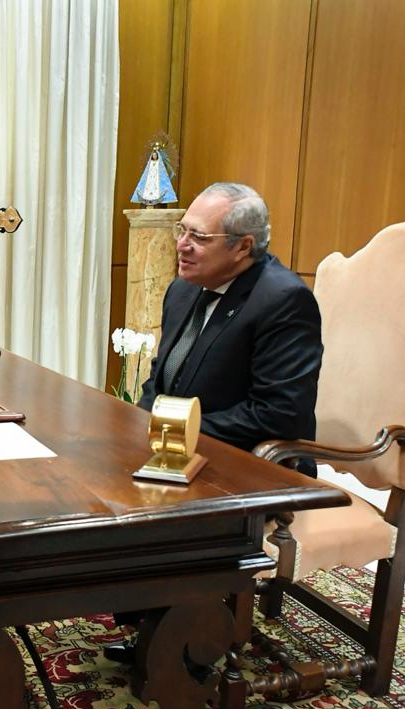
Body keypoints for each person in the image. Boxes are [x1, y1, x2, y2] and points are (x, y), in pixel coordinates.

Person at [104, 181, 322, 665]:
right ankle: (153, 622)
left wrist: (173, 433)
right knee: (104, 483)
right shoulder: (184, 287)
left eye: (198, 237)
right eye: (183, 231)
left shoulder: (283, 300)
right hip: (184, 450)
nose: (181, 245)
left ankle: (186, 647)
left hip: (254, 462)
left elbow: (280, 413)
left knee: (158, 515)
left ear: (243, 246)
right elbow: (158, 382)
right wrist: (139, 428)